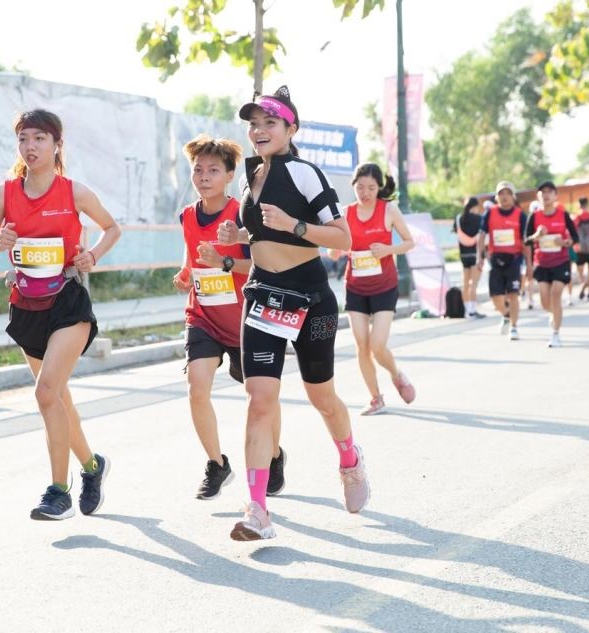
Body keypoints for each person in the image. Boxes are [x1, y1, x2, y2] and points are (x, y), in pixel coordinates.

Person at [218, 86, 370, 540]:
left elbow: (343, 239)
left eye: (269, 123)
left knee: (321, 396)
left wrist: (296, 226)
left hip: (310, 299)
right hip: (264, 295)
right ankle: (257, 510)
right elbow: (262, 236)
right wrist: (240, 234)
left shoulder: (305, 173)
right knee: (260, 398)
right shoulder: (250, 178)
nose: (259, 131)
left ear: (291, 129)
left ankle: (350, 459)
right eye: (253, 124)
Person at [0, 108, 122, 520]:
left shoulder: (74, 191)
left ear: (57, 145)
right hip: (26, 305)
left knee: (45, 393)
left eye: (40, 138)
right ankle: (93, 467)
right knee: (58, 399)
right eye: (24, 138)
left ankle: (59, 492)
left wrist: (92, 255)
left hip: (68, 302)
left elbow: (112, 228)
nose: (30, 146)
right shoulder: (4, 194)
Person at [173, 134, 251, 499]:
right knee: (197, 388)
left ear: (230, 175)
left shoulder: (242, 213)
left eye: (213, 170)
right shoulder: (188, 215)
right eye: (198, 169)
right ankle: (217, 463)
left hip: (243, 320)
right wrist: (186, 273)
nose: (204, 176)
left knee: (260, 395)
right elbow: (193, 255)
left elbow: (262, 264)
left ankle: (275, 454)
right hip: (202, 315)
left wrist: (224, 262)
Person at [337, 163, 418, 415]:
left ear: (379, 188)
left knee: (377, 345)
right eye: (360, 187)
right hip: (355, 287)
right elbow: (334, 247)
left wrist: (388, 250)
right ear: (353, 187)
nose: (365, 192)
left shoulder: (388, 210)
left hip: (384, 286)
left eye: (371, 187)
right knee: (362, 345)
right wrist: (335, 249)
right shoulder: (345, 213)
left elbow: (409, 242)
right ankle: (375, 398)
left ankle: (396, 374)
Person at [527, 182, 579, 347]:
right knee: (545, 301)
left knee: (556, 293)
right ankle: (554, 314)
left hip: (560, 261)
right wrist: (537, 235)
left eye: (550, 192)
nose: (546, 195)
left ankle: (555, 334)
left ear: (555, 196)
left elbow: (574, 239)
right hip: (542, 262)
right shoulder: (534, 217)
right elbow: (526, 240)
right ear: (538, 197)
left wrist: (564, 242)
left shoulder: (563, 215)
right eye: (543, 193)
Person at [483, 182, 527, 341]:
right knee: (496, 299)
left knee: (513, 295)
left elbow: (526, 240)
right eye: (501, 193)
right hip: (496, 259)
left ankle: (514, 328)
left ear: (513, 197)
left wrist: (529, 265)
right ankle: (506, 315)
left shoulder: (520, 215)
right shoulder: (490, 213)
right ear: (496, 197)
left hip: (514, 259)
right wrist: (479, 257)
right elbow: (482, 235)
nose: (505, 196)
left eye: (508, 193)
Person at [453, 197, 487, 318]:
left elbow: (455, 233)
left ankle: (466, 310)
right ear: (476, 206)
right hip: (475, 254)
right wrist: (482, 256)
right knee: (474, 284)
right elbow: (483, 237)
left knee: (465, 283)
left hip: (463, 254)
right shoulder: (479, 219)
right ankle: (472, 310)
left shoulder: (458, 219)